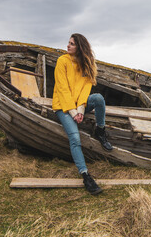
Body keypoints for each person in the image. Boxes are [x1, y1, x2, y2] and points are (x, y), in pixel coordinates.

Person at [52, 33, 112, 195]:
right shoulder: (62, 61)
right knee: (75, 138)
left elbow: (85, 90)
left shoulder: (87, 65)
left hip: (78, 105)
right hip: (63, 106)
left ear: (80, 47)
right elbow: (62, 89)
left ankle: (100, 130)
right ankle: (85, 175)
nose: (68, 46)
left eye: (72, 44)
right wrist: (73, 112)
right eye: (68, 43)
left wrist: (80, 109)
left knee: (98, 98)